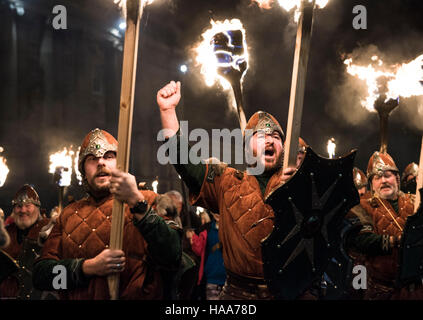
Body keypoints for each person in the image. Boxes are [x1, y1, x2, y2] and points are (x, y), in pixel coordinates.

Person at [157, 81, 308, 300]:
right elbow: (184, 161)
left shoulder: (302, 185)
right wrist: (168, 111)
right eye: (262, 135)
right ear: (247, 147)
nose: (271, 140)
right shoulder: (227, 181)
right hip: (237, 296)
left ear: (283, 148)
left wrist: (297, 191)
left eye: (276, 137)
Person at [33, 128, 181, 300]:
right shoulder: (68, 215)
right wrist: (87, 268)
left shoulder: (149, 201)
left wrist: (137, 203)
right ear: (83, 170)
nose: (101, 162)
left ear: (121, 162)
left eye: (109, 156)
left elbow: (172, 258)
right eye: (92, 159)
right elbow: (41, 278)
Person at [346, 151, 419, 299]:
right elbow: (362, 240)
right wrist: (394, 240)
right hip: (380, 290)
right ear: (372, 184)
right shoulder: (361, 207)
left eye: (387, 175)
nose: (383, 180)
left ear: (397, 179)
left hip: (414, 289)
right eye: (378, 177)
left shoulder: (414, 202)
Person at [0, 185, 51, 299]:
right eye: (19, 206)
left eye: (28, 206)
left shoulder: (49, 229)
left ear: (37, 208)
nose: (23, 210)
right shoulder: (6, 233)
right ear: (14, 209)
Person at [187, 211, 226, 300]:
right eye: (215, 210)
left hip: (230, 278)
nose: (217, 212)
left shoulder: (233, 229)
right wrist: (193, 239)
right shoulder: (206, 229)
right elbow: (199, 251)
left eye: (220, 209)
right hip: (211, 277)